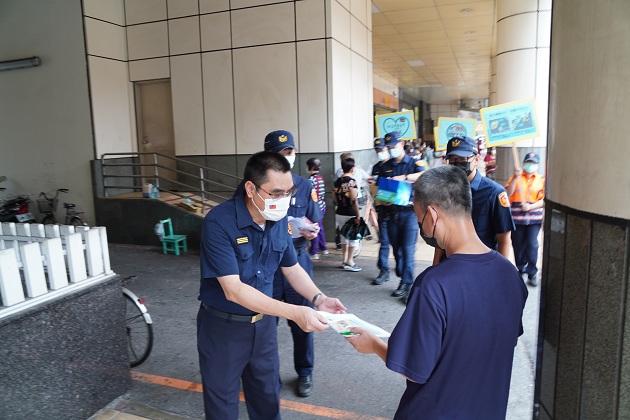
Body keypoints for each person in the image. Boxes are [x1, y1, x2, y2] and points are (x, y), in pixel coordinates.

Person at [346, 165, 528, 419]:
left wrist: (374, 345)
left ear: (432, 215)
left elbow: (412, 368)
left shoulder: (434, 285)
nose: (421, 227)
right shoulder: (509, 274)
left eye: (419, 218)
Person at [198, 151, 346, 419]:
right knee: (222, 407)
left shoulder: (278, 221)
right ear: (251, 188)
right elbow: (234, 289)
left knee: (267, 399)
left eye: (288, 192)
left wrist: (318, 298)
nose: (284, 200)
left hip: (263, 328)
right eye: (276, 193)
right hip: (224, 329)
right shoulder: (219, 221)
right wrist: (294, 312)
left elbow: (292, 268)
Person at [262, 130, 323, 398]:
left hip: (297, 262)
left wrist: (310, 230)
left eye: (289, 152)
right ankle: (268, 376)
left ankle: (305, 373)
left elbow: (315, 222)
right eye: (280, 153)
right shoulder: (253, 187)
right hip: (267, 266)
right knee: (265, 326)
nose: (286, 157)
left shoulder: (304, 185)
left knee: (303, 323)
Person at [431, 136, 514, 266]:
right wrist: (435, 265)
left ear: (476, 159)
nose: (456, 163)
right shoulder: (444, 190)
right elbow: (442, 235)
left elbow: (504, 238)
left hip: (481, 266)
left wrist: (501, 271)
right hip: (450, 264)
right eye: (452, 160)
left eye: (462, 159)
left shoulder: (494, 193)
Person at [375, 131, 424, 299]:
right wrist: (382, 199)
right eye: (388, 147)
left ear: (402, 144)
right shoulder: (385, 165)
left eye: (393, 146)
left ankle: (408, 284)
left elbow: (424, 175)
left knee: (408, 250)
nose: (391, 149)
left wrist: (404, 177)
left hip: (410, 213)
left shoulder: (414, 162)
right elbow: (380, 188)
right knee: (397, 251)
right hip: (392, 213)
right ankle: (404, 278)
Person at [505, 152, 545, 286]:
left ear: (538, 164)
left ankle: (532, 272)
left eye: (533, 162)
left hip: (534, 219)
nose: (530, 165)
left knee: (532, 245)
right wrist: (516, 178)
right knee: (518, 245)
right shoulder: (515, 178)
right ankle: (521, 268)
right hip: (517, 219)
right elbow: (508, 193)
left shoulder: (541, 180)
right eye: (528, 162)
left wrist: (531, 206)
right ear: (523, 163)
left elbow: (544, 200)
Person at [370, 138, 394, 285]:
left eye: (382, 149)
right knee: (384, 242)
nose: (380, 153)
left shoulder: (396, 165)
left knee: (399, 245)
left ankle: (403, 270)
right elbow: (374, 187)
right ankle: (383, 270)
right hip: (382, 209)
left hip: (399, 210)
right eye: (378, 150)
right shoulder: (376, 167)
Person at [333, 157, 362, 272]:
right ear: (352, 168)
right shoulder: (352, 182)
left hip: (339, 212)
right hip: (350, 213)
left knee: (344, 237)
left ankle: (344, 260)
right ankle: (350, 262)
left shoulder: (337, 181)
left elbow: (334, 197)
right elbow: (354, 200)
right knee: (353, 238)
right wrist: (358, 215)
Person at [306, 157, 328, 260]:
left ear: (309, 167)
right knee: (320, 228)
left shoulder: (311, 180)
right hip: (322, 206)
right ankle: (323, 248)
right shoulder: (321, 178)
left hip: (315, 208)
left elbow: (309, 195)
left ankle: (314, 251)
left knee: (314, 228)